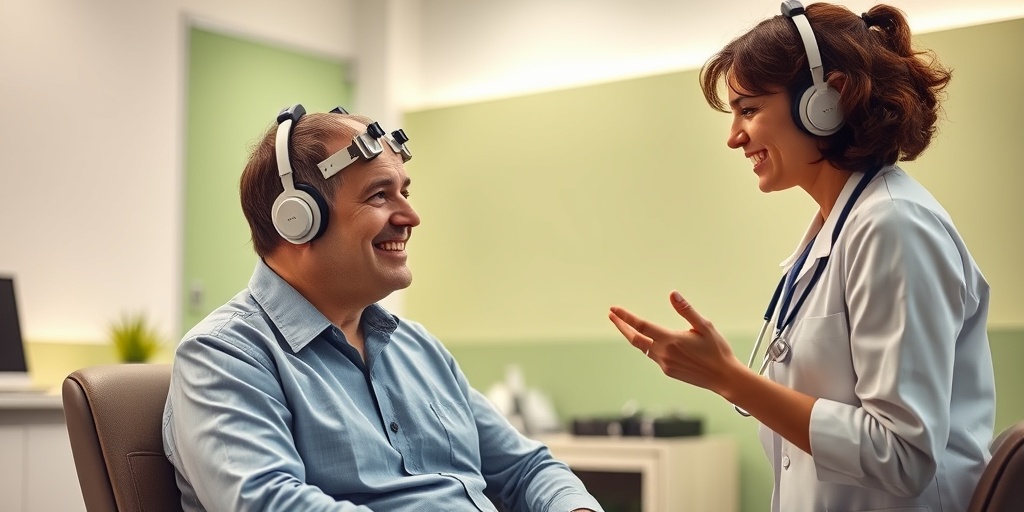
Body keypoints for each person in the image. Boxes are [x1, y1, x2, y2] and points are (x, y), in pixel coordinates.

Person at [607, 2, 995, 511]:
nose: (733, 137)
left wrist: (730, 378)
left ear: (824, 101)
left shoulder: (894, 225)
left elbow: (902, 455)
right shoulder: (838, 230)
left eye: (748, 110)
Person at [162, 104, 603, 512]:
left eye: (404, 192)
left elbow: (527, 469)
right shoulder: (224, 355)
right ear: (297, 219)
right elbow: (270, 503)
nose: (410, 216)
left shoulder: (416, 348)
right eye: (379, 196)